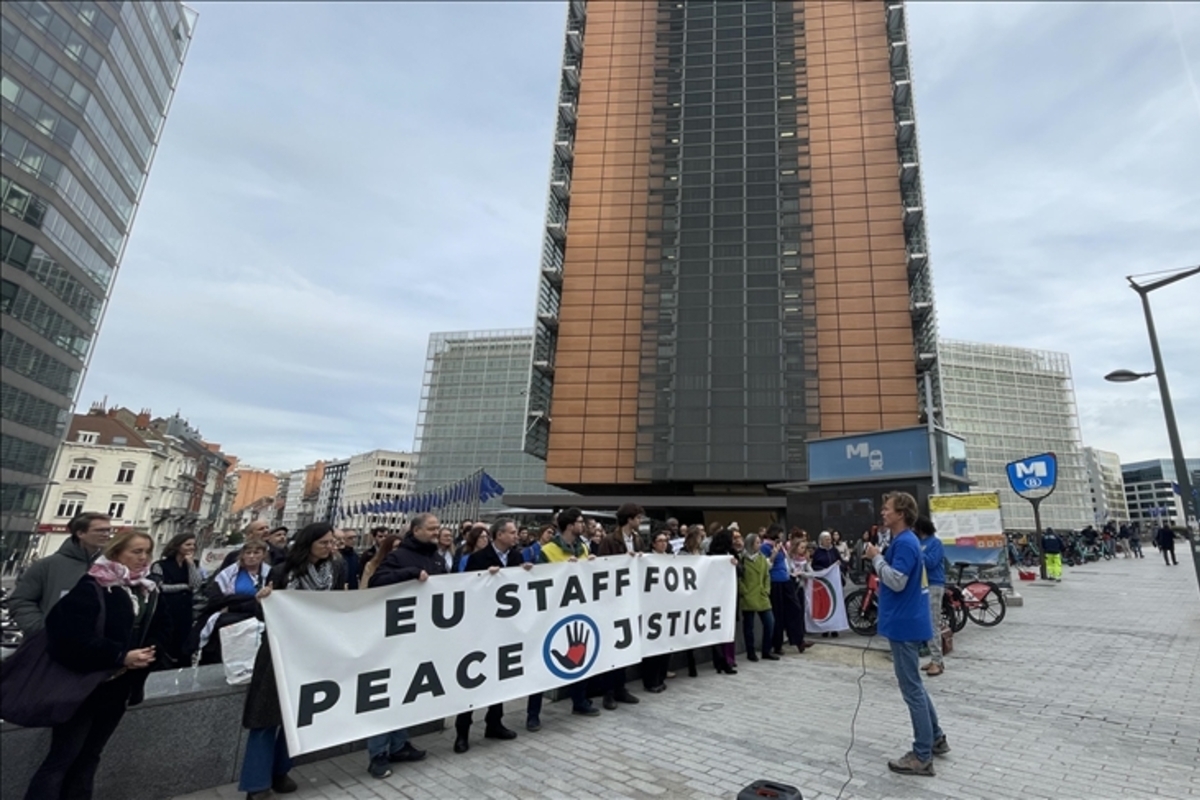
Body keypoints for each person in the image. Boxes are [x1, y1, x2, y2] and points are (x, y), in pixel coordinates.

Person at [23, 530, 166, 800]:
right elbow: (68, 637)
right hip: (83, 687)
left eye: (147, 551)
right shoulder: (93, 586)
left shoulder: (146, 589)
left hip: (119, 688)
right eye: (136, 551)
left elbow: (161, 628)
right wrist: (119, 656)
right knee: (62, 758)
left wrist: (149, 653)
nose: (143, 558)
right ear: (116, 552)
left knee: (90, 756)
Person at [239, 523, 346, 800]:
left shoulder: (335, 570)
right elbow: (263, 614)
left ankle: (280, 770)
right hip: (279, 650)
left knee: (297, 716)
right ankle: (256, 783)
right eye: (324, 543)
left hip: (312, 651)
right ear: (308, 543)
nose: (330, 548)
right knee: (265, 718)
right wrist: (262, 601)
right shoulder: (282, 571)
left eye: (332, 543)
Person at [866, 491, 948, 777]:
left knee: (911, 689)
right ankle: (935, 737)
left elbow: (897, 581)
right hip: (910, 621)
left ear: (901, 513)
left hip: (904, 624)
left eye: (887, 508)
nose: (883, 513)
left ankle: (922, 754)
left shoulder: (904, 544)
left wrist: (876, 559)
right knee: (916, 686)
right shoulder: (908, 541)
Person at [359, 519, 436, 779]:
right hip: (394, 637)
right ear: (417, 531)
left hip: (420, 635)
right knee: (385, 694)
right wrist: (410, 573)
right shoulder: (400, 556)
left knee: (406, 692)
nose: (437, 532)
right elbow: (377, 582)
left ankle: (400, 744)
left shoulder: (435, 557)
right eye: (432, 528)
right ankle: (378, 753)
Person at [453, 518, 531, 752]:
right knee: (472, 679)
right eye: (512, 532)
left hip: (505, 627)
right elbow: (467, 588)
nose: (517, 536)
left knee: (500, 676)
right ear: (499, 535)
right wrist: (485, 577)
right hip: (480, 629)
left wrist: (525, 573)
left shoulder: (517, 557)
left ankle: (494, 722)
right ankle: (462, 731)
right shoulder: (478, 559)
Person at [537, 507, 601, 716]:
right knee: (540, 664)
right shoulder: (548, 551)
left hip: (577, 611)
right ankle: (533, 714)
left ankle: (579, 701)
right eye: (580, 522)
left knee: (579, 656)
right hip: (553, 614)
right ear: (570, 525)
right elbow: (539, 582)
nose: (584, 525)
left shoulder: (582, 548)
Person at [10, 512, 110, 635]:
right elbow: (21, 601)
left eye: (108, 530)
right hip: (48, 647)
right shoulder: (46, 565)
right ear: (80, 533)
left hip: (95, 646)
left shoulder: (111, 567)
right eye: (100, 530)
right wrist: (42, 629)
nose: (106, 534)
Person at [185, 539, 272, 666]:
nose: (252, 556)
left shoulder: (270, 574)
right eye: (248, 553)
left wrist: (237, 603)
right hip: (229, 620)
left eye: (256, 552)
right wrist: (245, 601)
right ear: (243, 555)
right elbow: (215, 599)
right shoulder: (228, 574)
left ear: (263, 555)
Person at [594, 503, 644, 710]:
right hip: (613, 600)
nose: (640, 522)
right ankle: (608, 692)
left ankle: (621, 688)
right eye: (638, 518)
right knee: (611, 646)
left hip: (630, 599)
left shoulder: (638, 540)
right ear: (629, 518)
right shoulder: (609, 540)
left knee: (625, 643)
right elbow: (604, 566)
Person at [149, 533, 203, 667]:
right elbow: (158, 587)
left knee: (183, 642)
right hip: (168, 607)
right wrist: (183, 587)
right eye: (188, 544)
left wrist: (190, 565)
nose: (191, 547)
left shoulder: (193, 564)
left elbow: (196, 585)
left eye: (193, 545)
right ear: (178, 545)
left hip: (185, 610)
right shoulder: (160, 565)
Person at [762, 525, 805, 656]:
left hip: (786, 579)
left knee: (795, 608)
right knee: (778, 614)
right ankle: (777, 644)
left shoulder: (781, 547)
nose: (782, 536)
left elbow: (786, 562)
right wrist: (774, 554)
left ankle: (798, 639)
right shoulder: (765, 547)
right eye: (780, 534)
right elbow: (765, 566)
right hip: (775, 582)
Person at [914, 517, 946, 677]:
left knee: (933, 623)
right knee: (926, 623)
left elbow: (931, 562)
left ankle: (937, 661)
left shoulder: (935, 543)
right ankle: (934, 658)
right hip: (922, 586)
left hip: (934, 584)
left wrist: (917, 553)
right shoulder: (920, 543)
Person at [738, 533, 776, 662]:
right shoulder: (742, 558)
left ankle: (766, 650)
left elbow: (766, 576)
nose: (759, 545)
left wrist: (766, 590)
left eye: (760, 542)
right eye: (757, 543)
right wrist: (744, 591)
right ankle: (751, 651)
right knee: (749, 627)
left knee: (770, 623)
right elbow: (738, 578)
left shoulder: (761, 558)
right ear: (750, 544)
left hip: (761, 595)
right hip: (748, 595)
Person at [707, 529, 739, 674]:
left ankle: (729, 659)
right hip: (715, 597)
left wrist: (736, 564)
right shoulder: (711, 556)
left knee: (729, 628)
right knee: (717, 629)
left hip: (729, 596)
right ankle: (720, 660)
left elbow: (742, 572)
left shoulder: (732, 553)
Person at [812, 531, 842, 638]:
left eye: (829, 539)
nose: (829, 541)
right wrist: (824, 571)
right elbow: (814, 566)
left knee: (836, 604)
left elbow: (841, 561)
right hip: (823, 583)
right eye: (826, 539)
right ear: (821, 541)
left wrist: (839, 565)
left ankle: (834, 628)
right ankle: (825, 628)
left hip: (834, 583)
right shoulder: (817, 552)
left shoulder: (834, 551)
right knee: (824, 605)